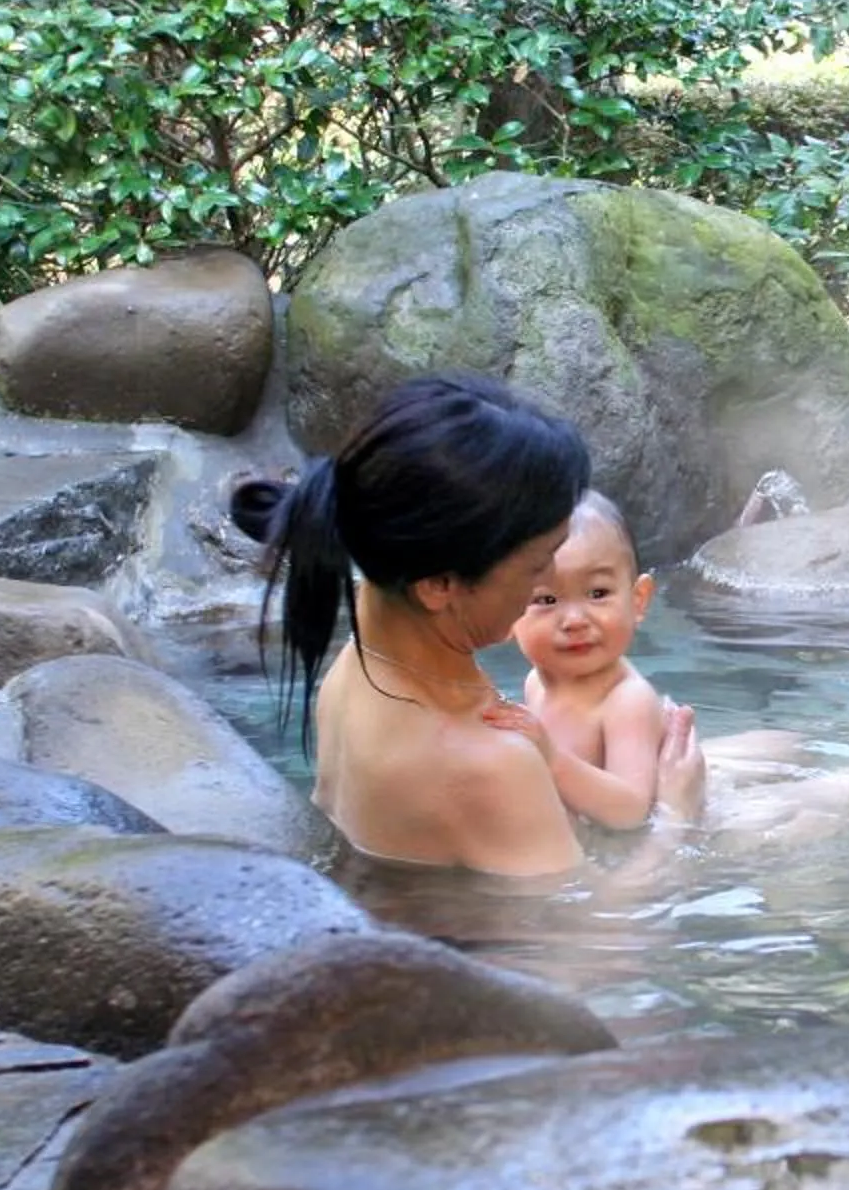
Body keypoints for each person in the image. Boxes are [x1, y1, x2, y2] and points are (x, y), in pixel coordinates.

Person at [232, 373, 703, 876]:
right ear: (438, 585)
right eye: (537, 566)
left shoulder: (352, 670)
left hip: (401, 911)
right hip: (477, 943)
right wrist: (677, 820)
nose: (547, 585)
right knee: (794, 812)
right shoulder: (489, 766)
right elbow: (592, 945)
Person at [504, 491, 671, 831]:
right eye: (547, 599)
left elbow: (631, 810)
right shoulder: (535, 681)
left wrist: (549, 758)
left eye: (598, 593)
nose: (576, 619)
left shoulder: (626, 700)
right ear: (505, 610)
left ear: (638, 600)